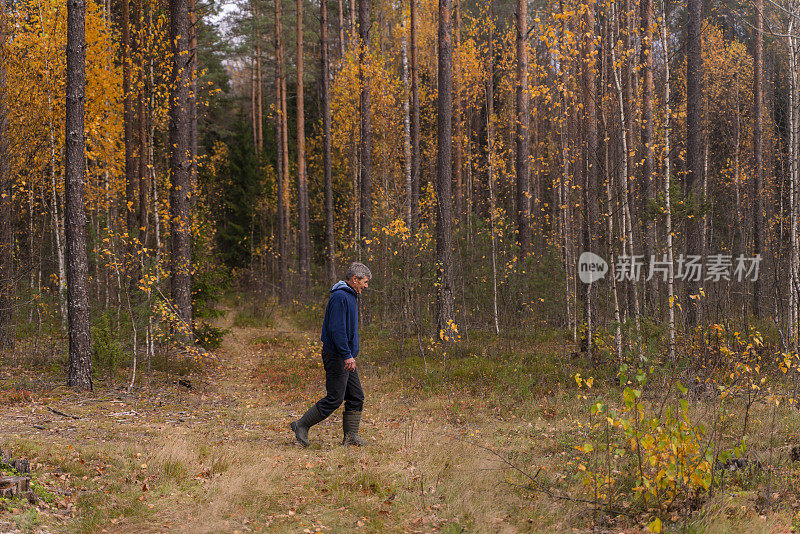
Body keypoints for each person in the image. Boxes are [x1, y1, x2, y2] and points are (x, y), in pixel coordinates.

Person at [290, 262, 371, 447]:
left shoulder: (350, 296)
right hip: (338, 356)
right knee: (335, 397)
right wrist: (346, 355)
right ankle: (301, 425)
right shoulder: (340, 297)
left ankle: (351, 437)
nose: (366, 286)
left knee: (356, 396)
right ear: (354, 279)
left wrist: (349, 354)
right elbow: (337, 330)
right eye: (364, 282)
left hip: (346, 356)